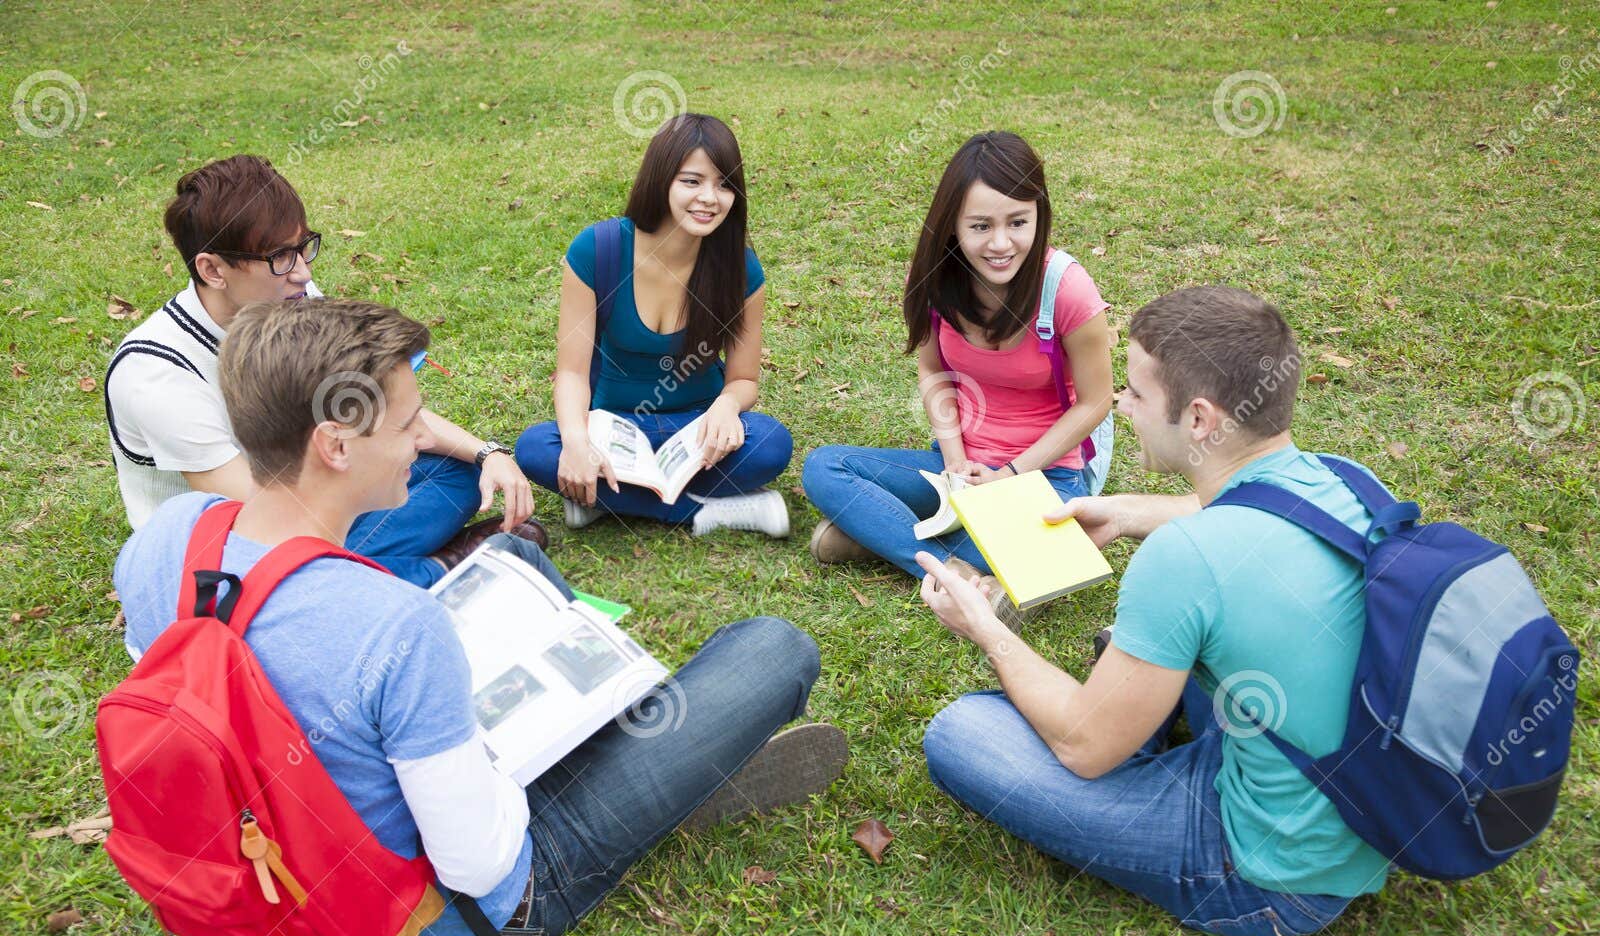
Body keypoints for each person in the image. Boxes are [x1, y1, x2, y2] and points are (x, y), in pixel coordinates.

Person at [73, 297, 846, 936]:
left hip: (290, 853)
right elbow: (478, 864)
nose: (421, 441)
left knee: (509, 561)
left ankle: (648, 751)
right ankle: (664, 774)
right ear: (335, 445)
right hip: (469, 903)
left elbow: (189, 769)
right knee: (774, 648)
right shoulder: (398, 626)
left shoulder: (165, 540)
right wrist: (484, 736)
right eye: (408, 424)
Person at [918, 286, 1391, 936]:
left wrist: (985, 627)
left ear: (1198, 419)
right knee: (1189, 640)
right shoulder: (1346, 481)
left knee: (959, 732)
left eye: (1136, 394)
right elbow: (1241, 514)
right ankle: (1145, 697)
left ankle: (1140, 719)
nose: (1119, 405)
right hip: (1363, 806)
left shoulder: (1185, 559)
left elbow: (1084, 748)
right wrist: (1126, 511)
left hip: (1269, 871)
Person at [104, 154, 540, 587]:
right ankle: (442, 567)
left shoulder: (292, 299)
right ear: (212, 269)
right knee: (297, 574)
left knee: (456, 470)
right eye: (279, 257)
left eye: (302, 247)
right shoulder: (158, 374)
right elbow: (261, 516)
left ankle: (381, 571)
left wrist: (489, 453)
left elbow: (384, 411)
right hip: (236, 546)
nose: (303, 273)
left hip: (314, 484)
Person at [802, 131, 1114, 585]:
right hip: (958, 473)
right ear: (953, 224)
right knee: (825, 468)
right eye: (981, 226)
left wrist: (1009, 474)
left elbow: (1095, 402)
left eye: (1018, 222)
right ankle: (954, 569)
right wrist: (953, 461)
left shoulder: (1065, 289)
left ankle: (884, 537)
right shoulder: (932, 280)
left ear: (1038, 217)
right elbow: (932, 369)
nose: (1001, 243)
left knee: (1031, 554)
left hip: (1045, 477)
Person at [514, 113, 793, 538]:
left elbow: (744, 379)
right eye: (692, 181)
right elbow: (571, 372)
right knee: (536, 448)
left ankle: (605, 500)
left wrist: (725, 407)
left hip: (697, 433)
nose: (709, 198)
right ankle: (705, 512)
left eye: (724, 185)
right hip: (613, 427)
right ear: (661, 179)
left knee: (771, 442)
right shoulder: (598, 249)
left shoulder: (741, 269)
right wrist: (575, 442)